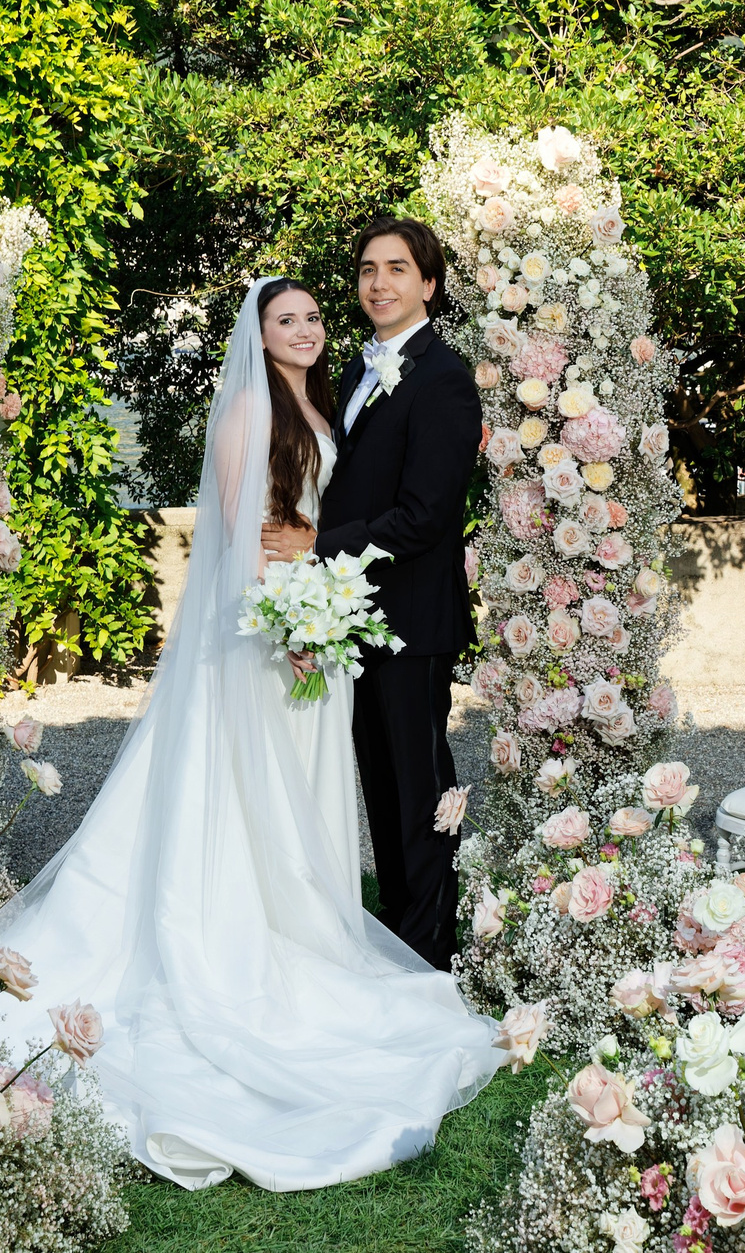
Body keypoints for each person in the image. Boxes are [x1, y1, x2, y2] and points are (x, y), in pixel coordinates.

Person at [0, 273, 500, 1192]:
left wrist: (315, 608)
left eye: (312, 318)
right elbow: (243, 537)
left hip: (315, 634)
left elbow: (324, 521)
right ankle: (249, 943)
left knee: (302, 798)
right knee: (247, 802)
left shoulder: (327, 400)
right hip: (269, 642)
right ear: (257, 333)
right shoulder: (253, 407)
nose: (305, 330)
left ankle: (308, 929)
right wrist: (288, 624)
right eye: (285, 320)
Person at [261, 217, 481, 971]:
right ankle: (403, 938)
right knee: (383, 794)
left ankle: (431, 956)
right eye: (366, 269)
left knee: (419, 792)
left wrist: (315, 546)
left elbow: (424, 516)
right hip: (358, 620)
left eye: (396, 268)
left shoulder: (445, 380)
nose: (378, 282)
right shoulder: (356, 373)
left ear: (429, 282)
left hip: (413, 623)